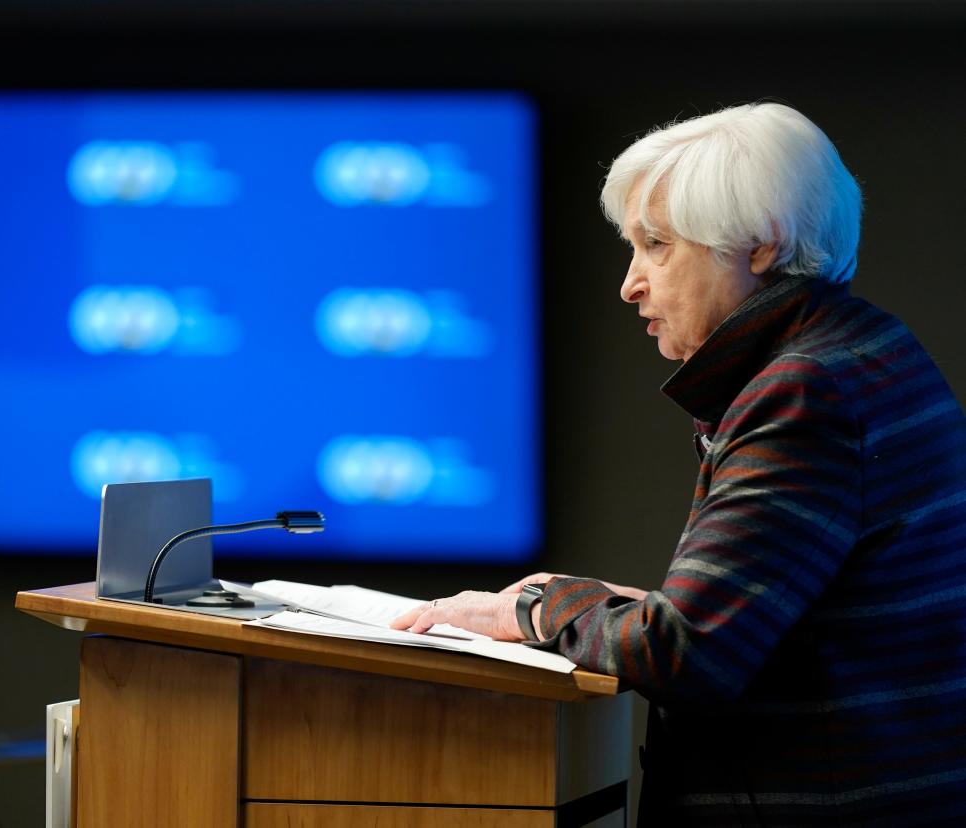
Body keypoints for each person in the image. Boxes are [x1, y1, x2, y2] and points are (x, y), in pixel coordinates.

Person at [391, 102, 966, 825]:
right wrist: (608, 605)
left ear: (761, 243)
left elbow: (687, 655)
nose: (630, 285)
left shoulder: (804, 390)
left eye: (656, 244)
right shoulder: (867, 350)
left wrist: (527, 610)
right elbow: (786, 624)